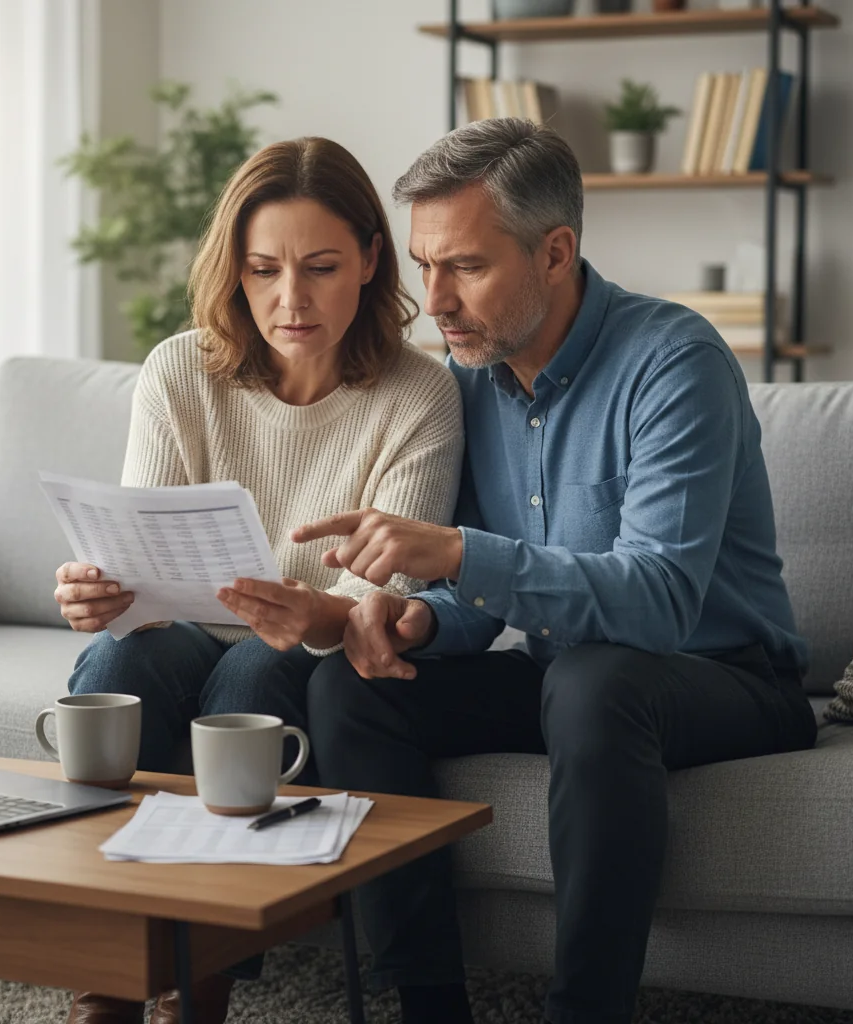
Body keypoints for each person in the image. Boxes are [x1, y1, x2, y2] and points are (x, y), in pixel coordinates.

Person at [292, 118, 819, 1024]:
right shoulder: (463, 380)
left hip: (730, 678)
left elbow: (656, 601)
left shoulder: (674, 363)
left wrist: (452, 554)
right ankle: (429, 1004)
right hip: (565, 676)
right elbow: (481, 599)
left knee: (593, 678)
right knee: (354, 687)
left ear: (556, 251)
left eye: (465, 266)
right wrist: (419, 618)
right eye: (423, 265)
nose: (437, 299)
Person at [54, 136, 463, 1024]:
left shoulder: (419, 393)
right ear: (233, 271)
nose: (291, 299)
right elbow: (139, 552)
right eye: (263, 269)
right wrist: (102, 593)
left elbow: (379, 602)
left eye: (320, 267)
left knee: (248, 680)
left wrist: (318, 608)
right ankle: (106, 986)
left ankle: (199, 990)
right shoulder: (180, 369)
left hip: (310, 647)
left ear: (367, 258)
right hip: (180, 633)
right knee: (111, 677)